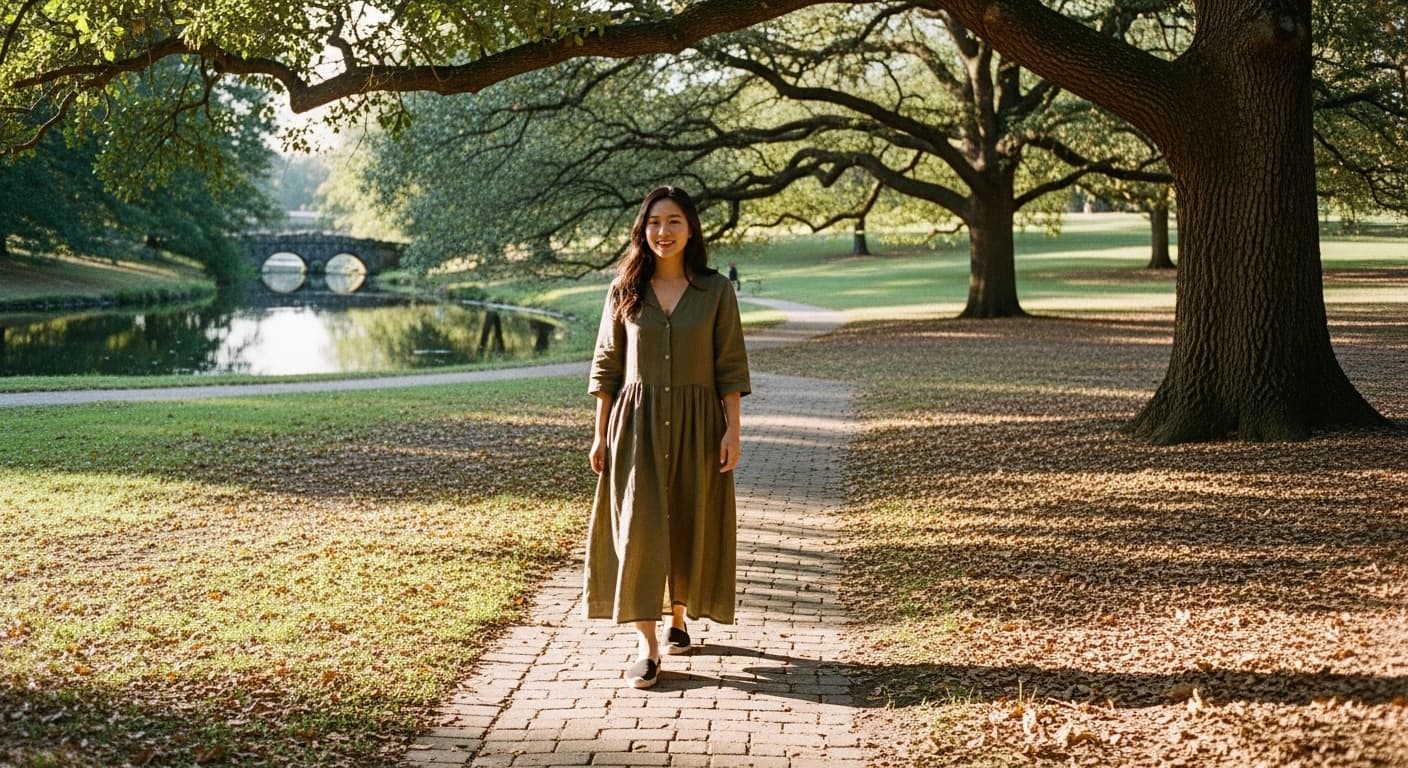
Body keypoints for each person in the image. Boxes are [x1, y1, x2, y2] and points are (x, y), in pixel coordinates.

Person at [585, 186, 751, 689]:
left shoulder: (717, 291)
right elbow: (606, 367)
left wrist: (733, 431)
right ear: (642, 229)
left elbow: (730, 365)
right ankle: (647, 645)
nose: (663, 231)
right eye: (654, 222)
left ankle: (679, 617)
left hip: (700, 425)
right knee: (639, 527)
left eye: (674, 221)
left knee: (688, 519)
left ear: (691, 228)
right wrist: (599, 436)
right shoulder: (624, 290)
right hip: (635, 425)